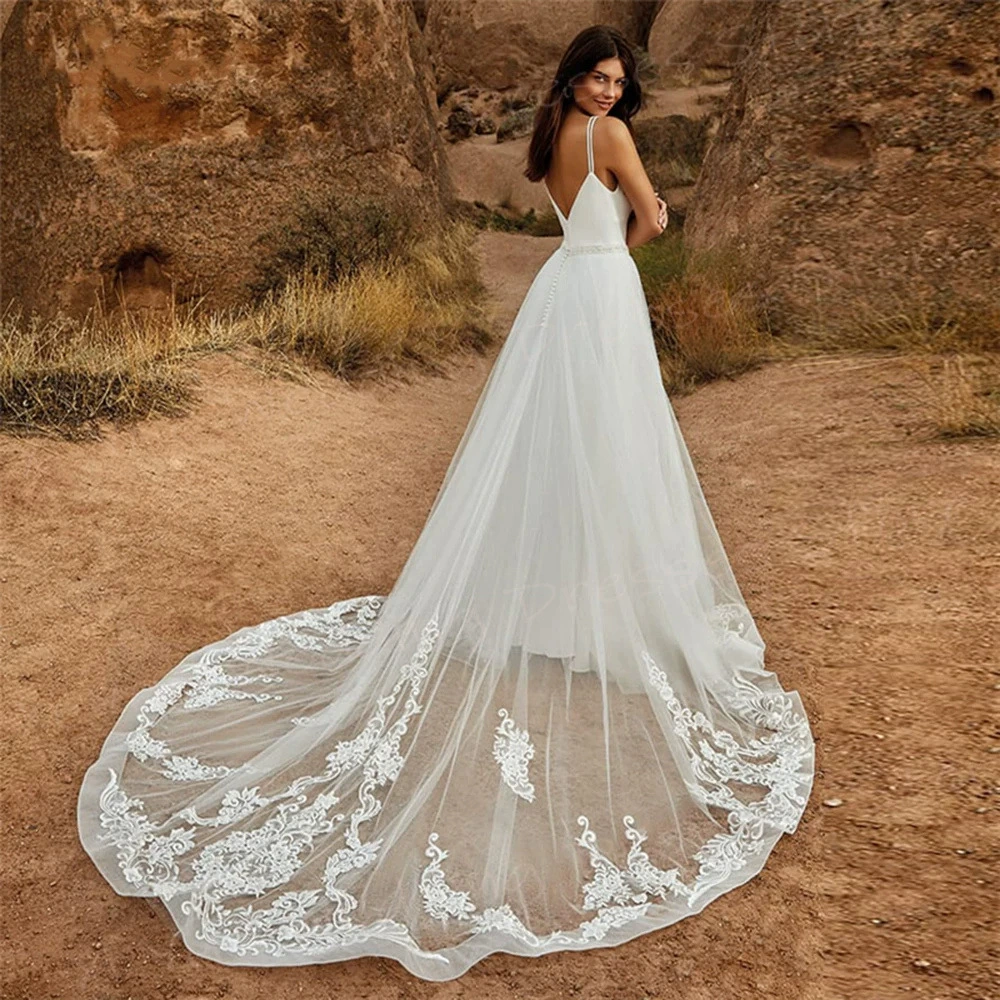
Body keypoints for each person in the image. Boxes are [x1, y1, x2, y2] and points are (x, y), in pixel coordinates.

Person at [77, 24, 814, 983]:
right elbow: (646, 224)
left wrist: (616, 229)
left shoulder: (553, 136)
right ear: (576, 80)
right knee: (611, 450)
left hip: (561, 293)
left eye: (616, 79)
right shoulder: (614, 137)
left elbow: (578, 216)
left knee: (565, 451)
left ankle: (567, 605)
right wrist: (654, 220)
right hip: (602, 295)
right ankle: (605, 609)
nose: (607, 89)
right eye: (598, 77)